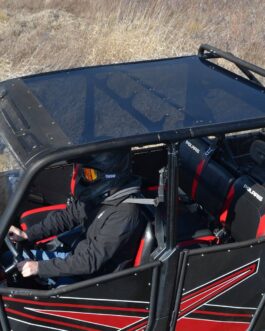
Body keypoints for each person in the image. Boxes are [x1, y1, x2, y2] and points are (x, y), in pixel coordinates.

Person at [8, 148, 146, 286]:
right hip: (77, 258)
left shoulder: (125, 213)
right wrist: (27, 235)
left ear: (111, 176)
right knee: (8, 258)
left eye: (90, 175)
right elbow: (68, 216)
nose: (85, 179)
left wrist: (39, 267)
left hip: (92, 279)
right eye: (83, 173)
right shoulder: (101, 197)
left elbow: (91, 261)